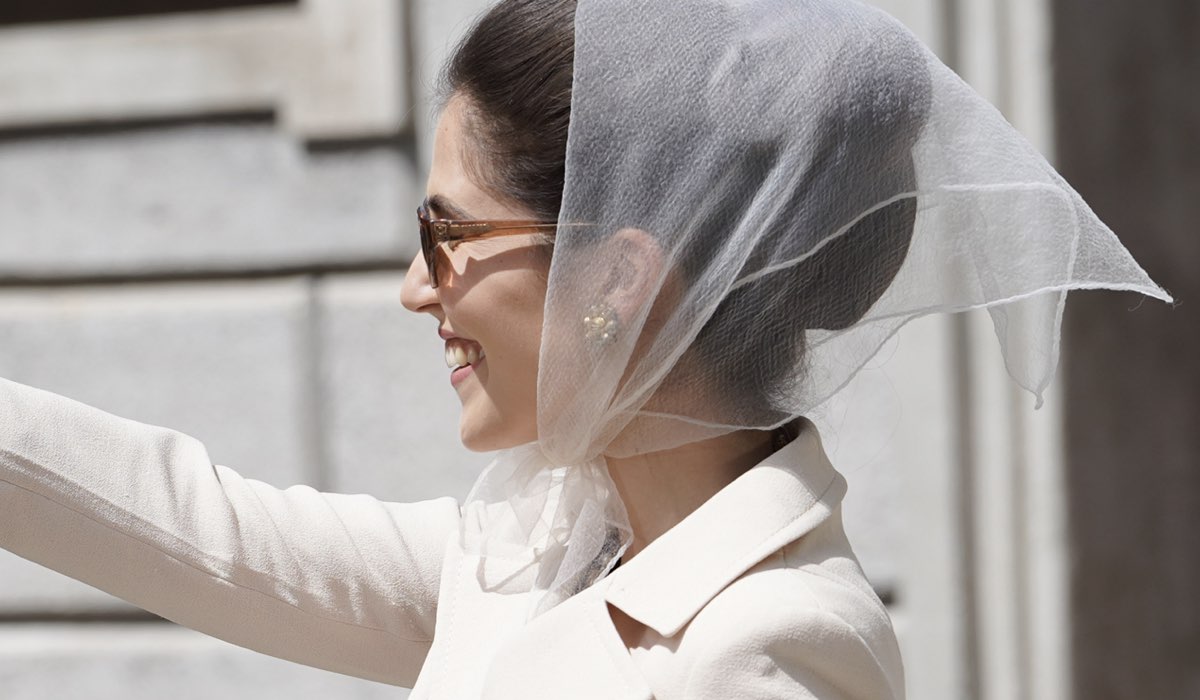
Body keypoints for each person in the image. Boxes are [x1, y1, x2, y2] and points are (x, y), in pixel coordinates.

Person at [0, 0, 1171, 698]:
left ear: (616, 276)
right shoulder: (543, 542)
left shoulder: (769, 648)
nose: (417, 288)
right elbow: (211, 531)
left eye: (445, 233)